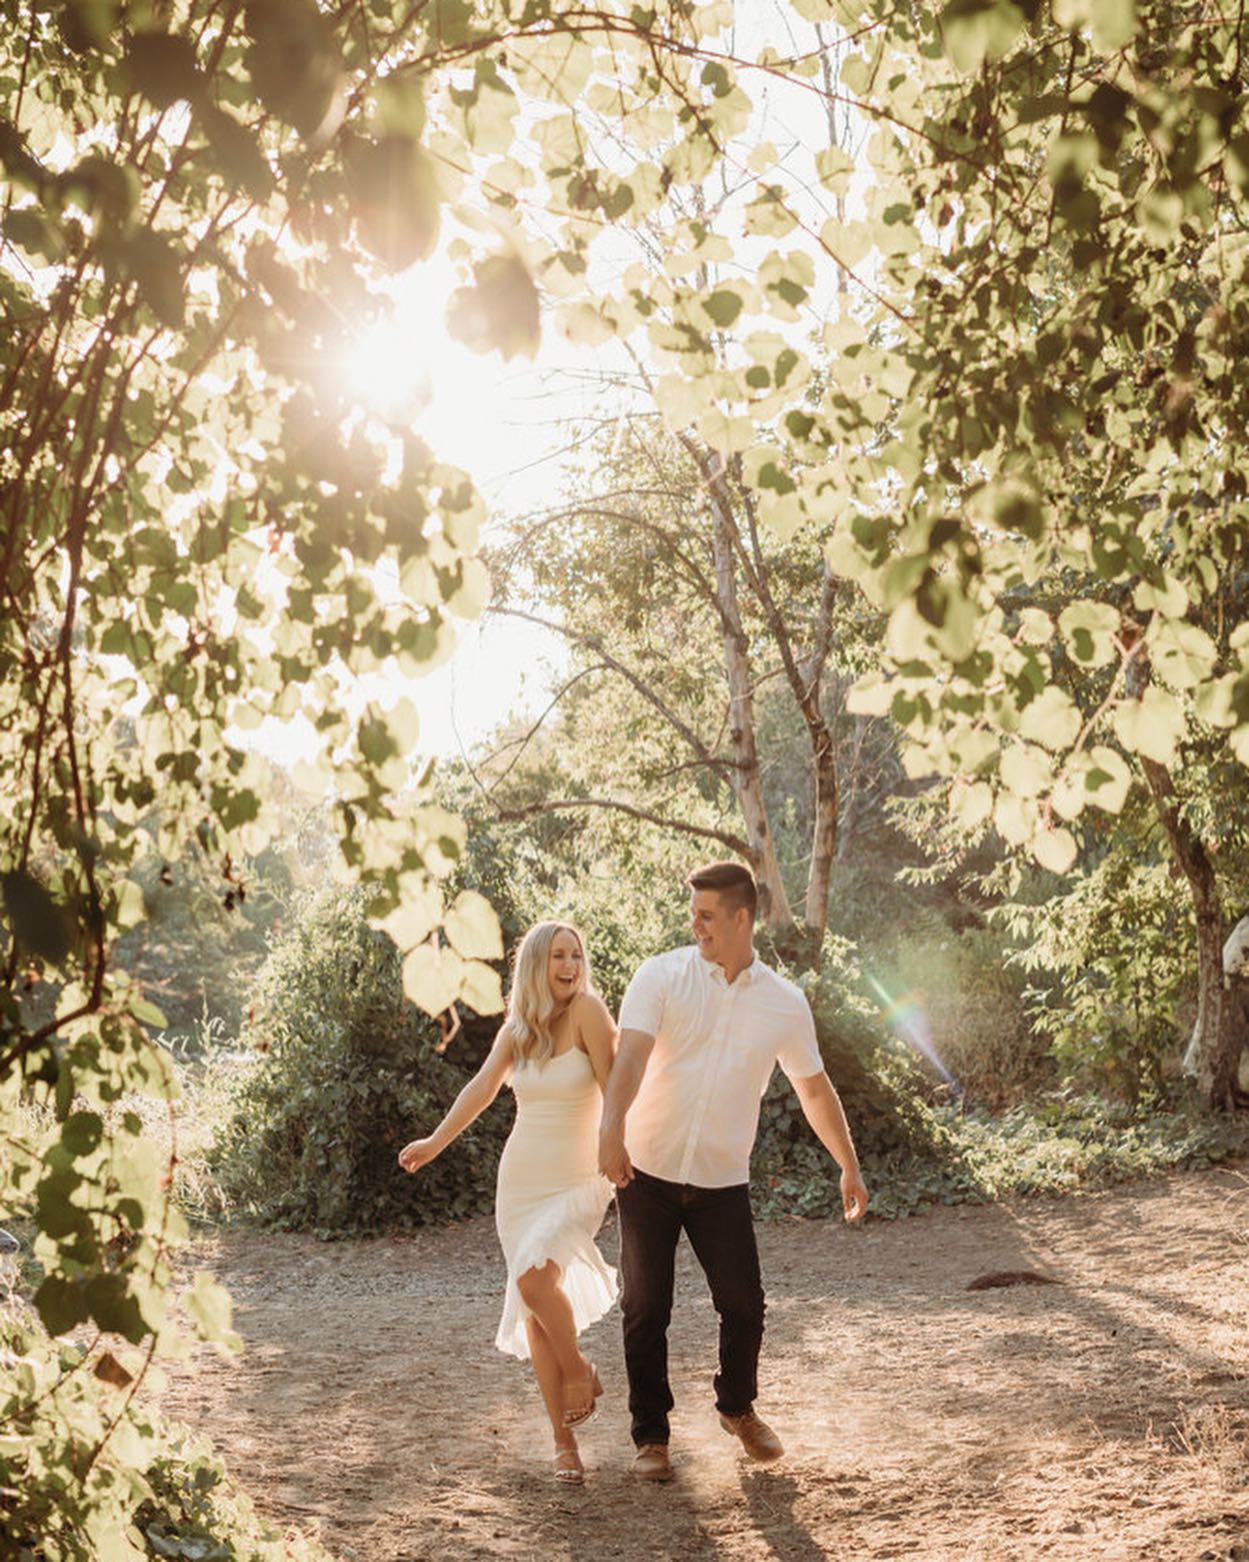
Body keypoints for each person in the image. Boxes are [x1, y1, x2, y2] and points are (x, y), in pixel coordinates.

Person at [598, 861, 869, 1482]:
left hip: (721, 1181)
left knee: (745, 1305)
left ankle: (737, 1408)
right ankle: (652, 1437)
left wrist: (848, 1164)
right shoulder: (660, 976)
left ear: (741, 917)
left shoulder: (783, 1002)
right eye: (692, 914)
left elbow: (815, 1090)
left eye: (707, 916)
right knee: (646, 1307)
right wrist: (610, 1129)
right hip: (647, 1171)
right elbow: (631, 1057)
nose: (695, 926)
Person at [399, 920, 618, 1485]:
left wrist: (629, 1151)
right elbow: (480, 1090)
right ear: (535, 967)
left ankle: (579, 1370)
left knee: (534, 1284)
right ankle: (563, 1443)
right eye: (558, 957)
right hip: (521, 1184)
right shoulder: (517, 1030)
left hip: (578, 1180)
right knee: (534, 1309)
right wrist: (432, 1143)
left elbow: (620, 1087)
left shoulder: (590, 1013)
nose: (570, 966)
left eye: (576, 954)